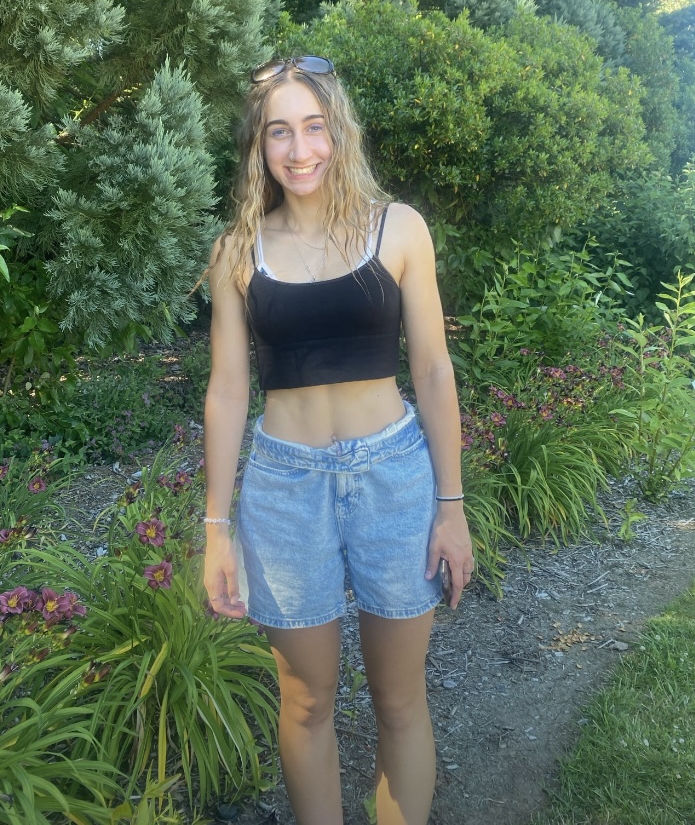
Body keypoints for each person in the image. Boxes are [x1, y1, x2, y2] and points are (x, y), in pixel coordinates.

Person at [202, 55, 474, 825]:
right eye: (279, 131)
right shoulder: (236, 251)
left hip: (394, 476)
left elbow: (432, 368)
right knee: (306, 698)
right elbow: (227, 392)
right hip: (284, 490)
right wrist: (216, 528)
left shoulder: (399, 229)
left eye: (314, 127)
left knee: (399, 696)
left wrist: (450, 507)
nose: (299, 149)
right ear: (259, 145)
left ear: (338, 132)